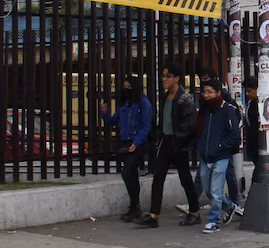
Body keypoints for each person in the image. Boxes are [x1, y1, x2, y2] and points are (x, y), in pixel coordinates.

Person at [134, 63, 201, 228]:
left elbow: (189, 125)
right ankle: (153, 214)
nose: (163, 79)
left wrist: (178, 140)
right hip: (165, 141)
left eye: (167, 76)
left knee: (185, 179)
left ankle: (194, 212)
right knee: (158, 178)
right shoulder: (165, 97)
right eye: (162, 76)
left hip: (179, 144)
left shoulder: (185, 99)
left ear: (176, 78)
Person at [98, 76, 153, 222]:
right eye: (124, 87)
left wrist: (136, 142)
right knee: (130, 175)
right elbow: (112, 121)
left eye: (128, 87)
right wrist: (104, 113)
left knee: (127, 172)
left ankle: (134, 207)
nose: (125, 89)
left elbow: (146, 126)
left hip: (137, 144)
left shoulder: (143, 103)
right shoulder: (125, 105)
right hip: (124, 143)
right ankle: (134, 207)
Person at [196, 79, 242, 233]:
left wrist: (220, 146)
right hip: (205, 155)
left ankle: (213, 221)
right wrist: (201, 147)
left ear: (218, 92)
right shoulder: (204, 110)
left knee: (216, 191)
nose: (206, 95)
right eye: (204, 92)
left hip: (221, 156)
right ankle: (229, 206)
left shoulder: (228, 109)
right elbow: (199, 131)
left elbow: (234, 135)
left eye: (209, 92)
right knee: (207, 189)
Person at [242, 75, 263, 184]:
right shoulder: (250, 103)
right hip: (253, 143)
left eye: (249, 91)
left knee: (259, 171)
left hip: (261, 143)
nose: (247, 94)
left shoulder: (262, 104)